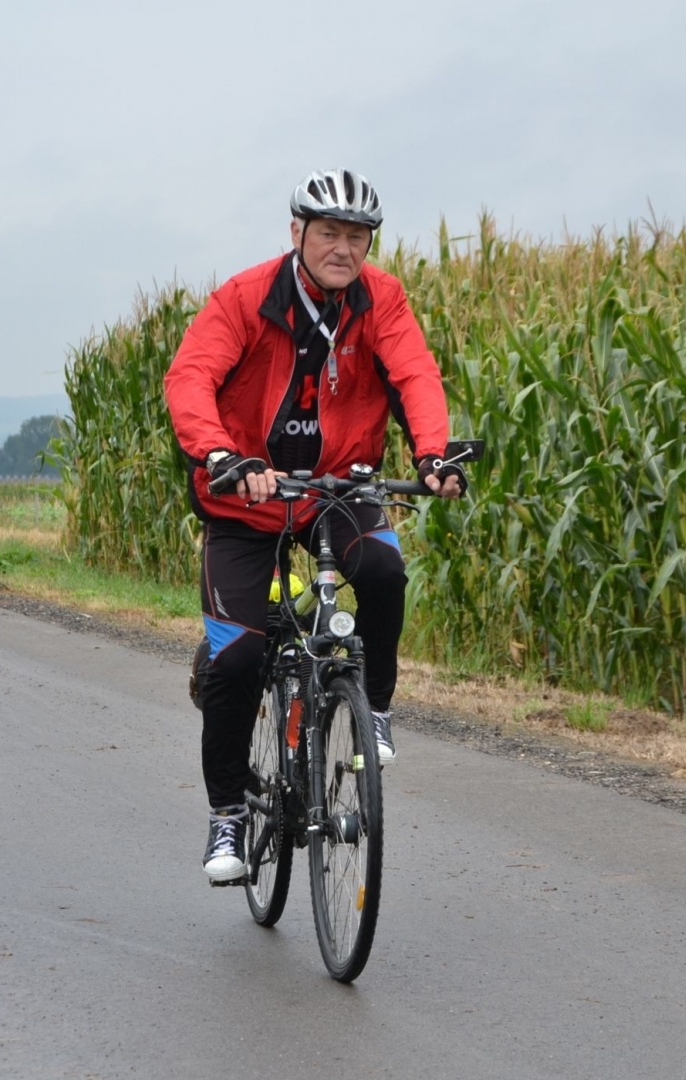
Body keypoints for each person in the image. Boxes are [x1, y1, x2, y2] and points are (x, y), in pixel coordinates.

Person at [164, 170, 465, 882]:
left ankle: (376, 709)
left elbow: (415, 375)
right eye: (327, 232)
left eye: (356, 236)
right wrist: (222, 454)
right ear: (296, 233)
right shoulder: (243, 298)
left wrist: (431, 455)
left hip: (338, 487)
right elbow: (190, 378)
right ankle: (228, 818)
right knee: (237, 661)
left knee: (385, 572)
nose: (342, 247)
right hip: (246, 497)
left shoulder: (381, 298)